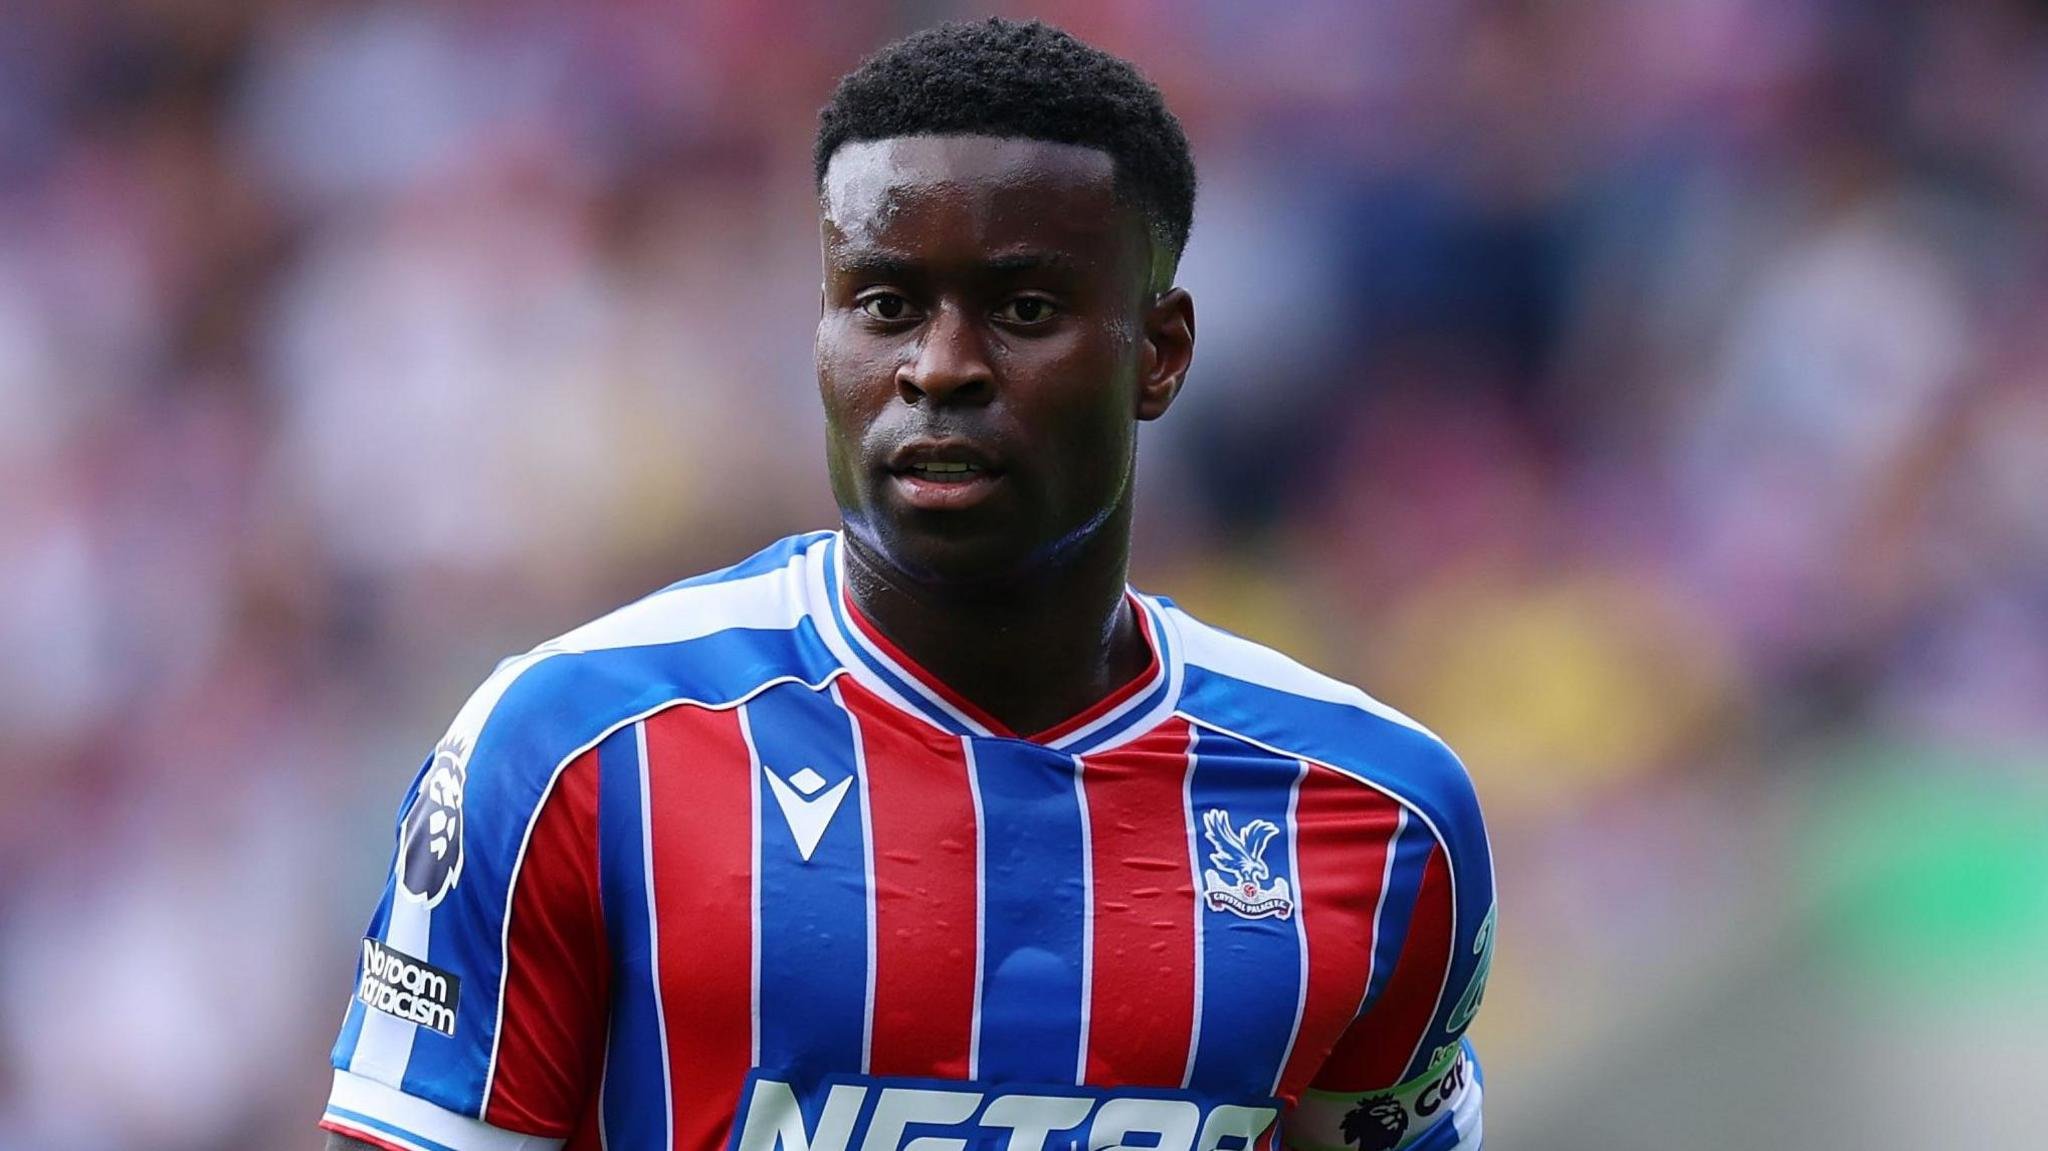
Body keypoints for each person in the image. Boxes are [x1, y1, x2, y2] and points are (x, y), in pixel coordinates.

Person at [321, 19, 1494, 1151]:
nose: (939, 367)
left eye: (1022, 309)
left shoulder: (1375, 813)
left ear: (1159, 351)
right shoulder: (573, 751)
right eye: (885, 305)